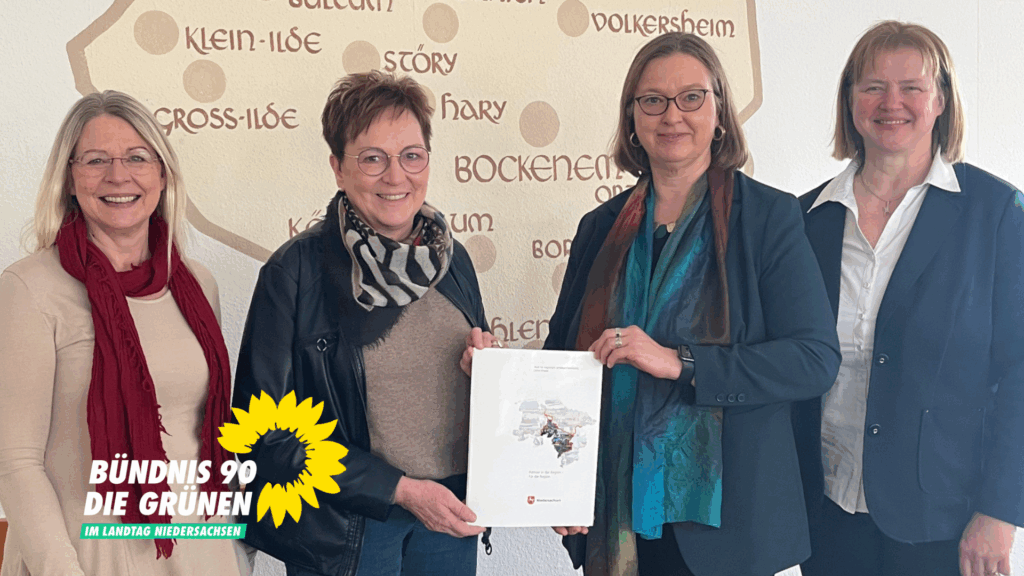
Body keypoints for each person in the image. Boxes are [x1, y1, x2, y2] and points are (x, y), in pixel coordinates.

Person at [545, 32, 842, 576]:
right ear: (632, 118)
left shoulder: (768, 218)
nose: (671, 115)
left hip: (728, 526)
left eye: (691, 97)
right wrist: (559, 481)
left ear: (719, 111)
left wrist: (680, 362)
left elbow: (813, 360)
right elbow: (561, 364)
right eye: (652, 100)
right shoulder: (599, 229)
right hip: (614, 514)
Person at [232, 71, 497, 576]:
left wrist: (485, 371)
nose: (396, 177)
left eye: (411, 156)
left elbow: (470, 385)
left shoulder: (452, 260)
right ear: (338, 168)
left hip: (449, 515)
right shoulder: (296, 272)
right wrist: (398, 489)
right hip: (346, 530)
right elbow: (263, 433)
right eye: (373, 158)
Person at [795, 20, 1023, 576]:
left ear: (940, 100)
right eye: (872, 86)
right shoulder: (806, 219)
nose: (890, 102)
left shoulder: (995, 215)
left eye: (911, 87)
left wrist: (1001, 510)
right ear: (850, 101)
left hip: (945, 520)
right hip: (826, 511)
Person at [0, 91, 248, 575]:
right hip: (86, 554)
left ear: (162, 174)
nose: (118, 176)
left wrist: (233, 548)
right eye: (96, 160)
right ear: (69, 178)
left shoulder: (197, 284)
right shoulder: (30, 288)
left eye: (137, 157)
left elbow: (210, 434)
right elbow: (15, 460)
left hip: (199, 547)